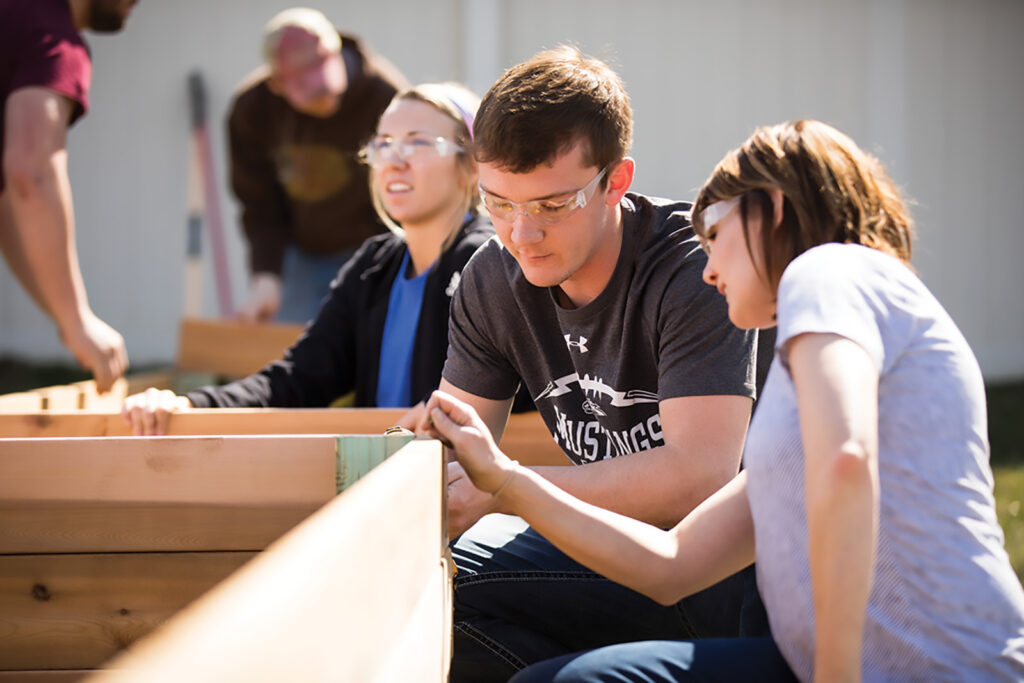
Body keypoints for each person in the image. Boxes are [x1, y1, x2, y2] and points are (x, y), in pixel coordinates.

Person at [422, 119, 1024, 681]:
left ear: (774, 211)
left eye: (713, 234)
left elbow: (845, 459)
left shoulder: (831, 270)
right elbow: (670, 567)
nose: (707, 269)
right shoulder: (792, 405)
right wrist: (505, 481)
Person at [413, 47, 764, 681]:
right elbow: (459, 451)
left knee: (455, 593)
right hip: (599, 550)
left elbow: (696, 480)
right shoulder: (491, 278)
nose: (522, 234)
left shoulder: (695, 270)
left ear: (616, 180)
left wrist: (505, 489)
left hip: (730, 578)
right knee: (422, 593)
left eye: (551, 206)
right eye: (498, 203)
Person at [121, 82, 489, 435]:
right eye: (384, 144)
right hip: (385, 480)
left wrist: (441, 408)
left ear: (473, 166)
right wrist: (192, 405)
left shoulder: (488, 261)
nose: (394, 161)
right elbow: (301, 377)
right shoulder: (373, 267)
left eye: (419, 143)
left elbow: (516, 382)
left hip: (461, 485)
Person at [229, 7, 408, 324]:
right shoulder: (253, 112)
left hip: (376, 247)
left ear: (336, 50)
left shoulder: (386, 98)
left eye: (324, 79)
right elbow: (259, 203)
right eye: (309, 91)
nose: (323, 97)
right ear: (277, 83)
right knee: (298, 354)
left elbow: (406, 188)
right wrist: (266, 279)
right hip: (302, 253)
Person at [0, 0, 135, 392]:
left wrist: (66, 318)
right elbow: (31, 172)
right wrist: (77, 320)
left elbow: (8, 201)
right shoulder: (50, 36)